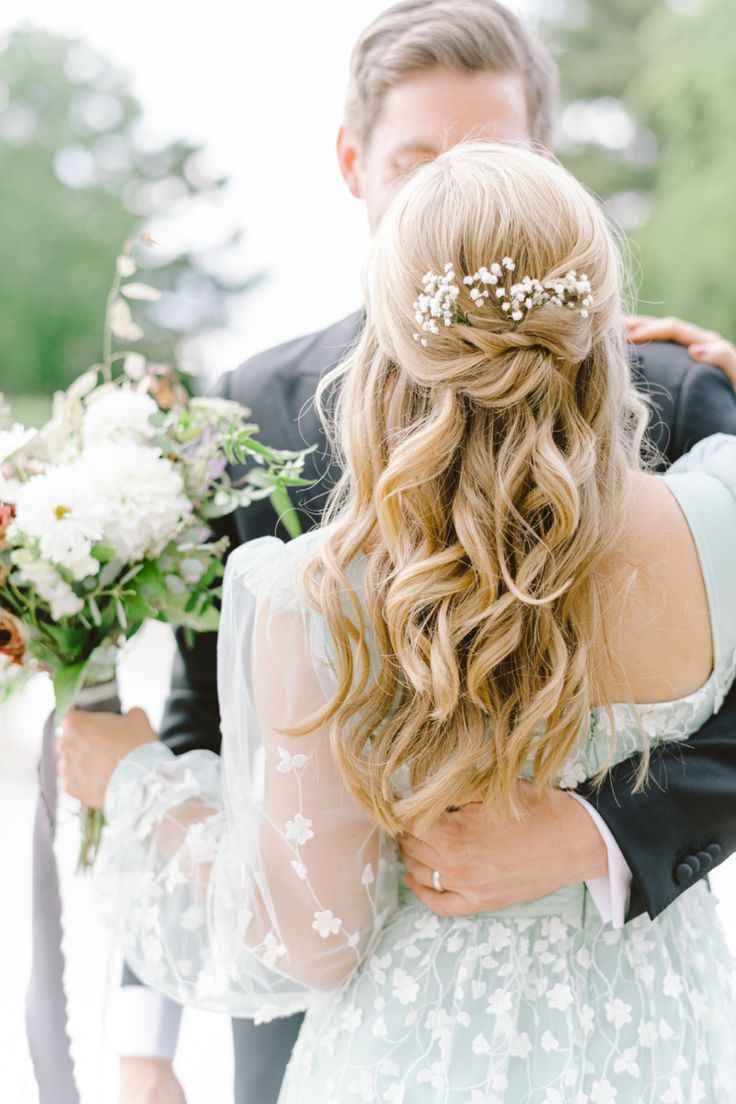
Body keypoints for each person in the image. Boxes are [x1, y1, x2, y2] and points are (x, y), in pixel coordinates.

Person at [64, 2, 736, 1102]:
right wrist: (145, 1040)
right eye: (422, 162)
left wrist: (603, 833)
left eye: (488, 162)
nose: (455, 197)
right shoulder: (248, 407)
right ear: (354, 162)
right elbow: (209, 720)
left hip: (610, 990)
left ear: (543, 169)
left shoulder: (678, 391)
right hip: (346, 1033)